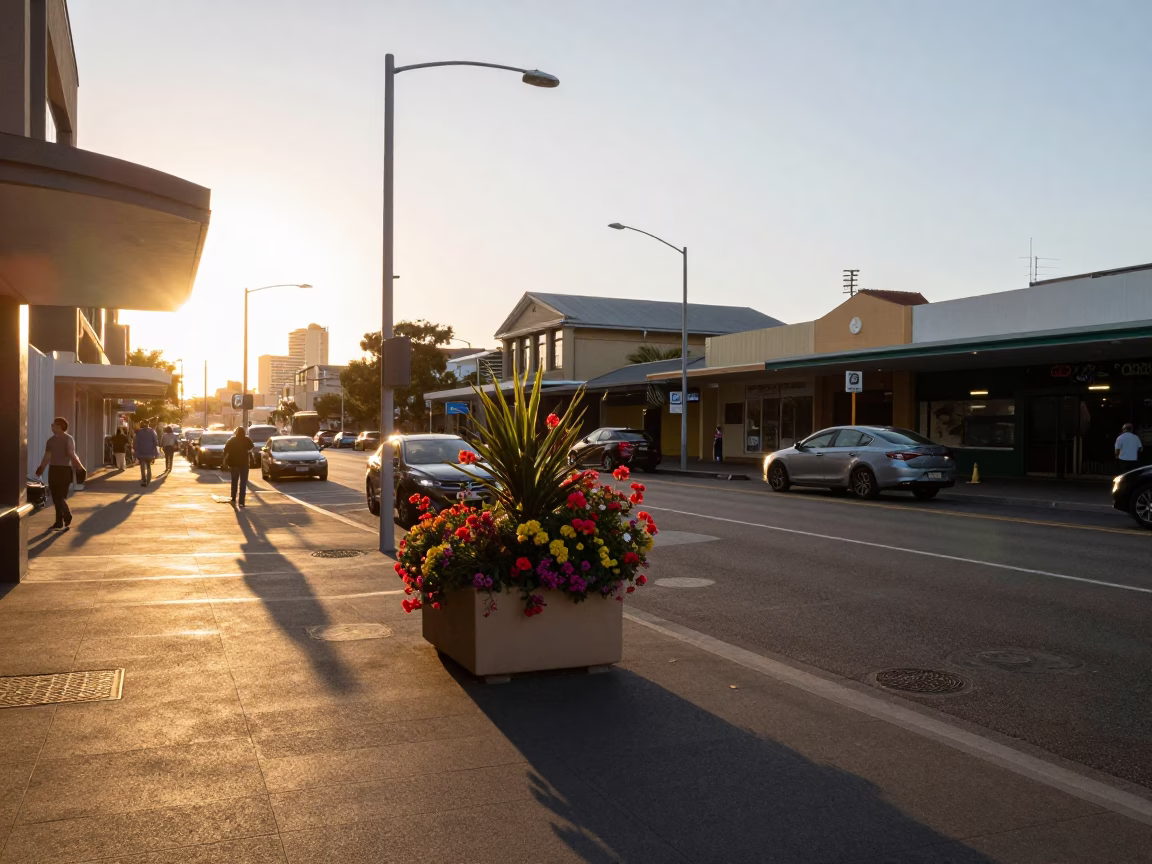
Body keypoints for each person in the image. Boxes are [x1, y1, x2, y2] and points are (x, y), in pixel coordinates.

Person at [34, 417, 86, 530]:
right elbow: (69, 455)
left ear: (60, 426)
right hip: (60, 470)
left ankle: (65, 515)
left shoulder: (58, 440)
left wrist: (41, 469)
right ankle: (59, 522)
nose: (52, 427)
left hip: (59, 470)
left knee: (58, 497)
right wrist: (41, 469)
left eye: (54, 425)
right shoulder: (59, 440)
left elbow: (69, 455)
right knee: (58, 497)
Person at [223, 426, 254, 507]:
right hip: (244, 464)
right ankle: (241, 501)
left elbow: (225, 451)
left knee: (234, 481)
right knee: (243, 482)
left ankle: (233, 497)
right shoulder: (247, 440)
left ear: (236, 432)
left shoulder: (231, 440)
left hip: (233, 464)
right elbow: (251, 448)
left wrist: (223, 461)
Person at [133, 420, 159, 486]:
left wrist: (135, 450)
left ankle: (143, 479)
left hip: (141, 451)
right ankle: (149, 477)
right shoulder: (152, 431)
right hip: (150, 452)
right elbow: (156, 442)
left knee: (142, 465)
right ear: (148, 424)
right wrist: (156, 451)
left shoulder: (138, 432)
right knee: (148, 465)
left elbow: (135, 442)